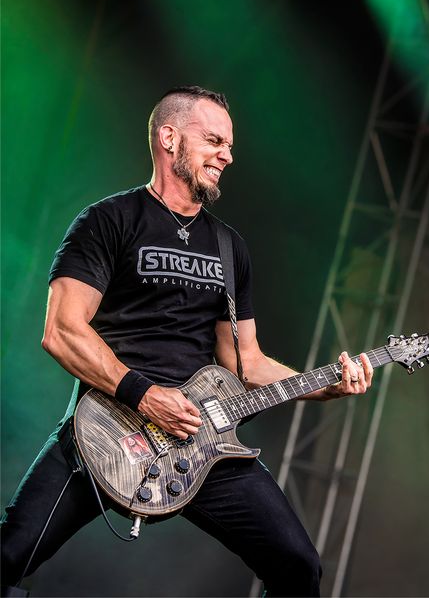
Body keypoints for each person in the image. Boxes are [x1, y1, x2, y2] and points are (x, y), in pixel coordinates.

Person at [1, 86, 373, 597]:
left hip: (203, 438)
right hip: (110, 429)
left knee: (298, 566)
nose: (227, 155)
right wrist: (145, 396)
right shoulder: (107, 221)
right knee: (8, 554)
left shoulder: (228, 246)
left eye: (231, 146)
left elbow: (246, 364)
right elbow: (62, 331)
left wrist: (328, 384)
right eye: (215, 140)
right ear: (168, 137)